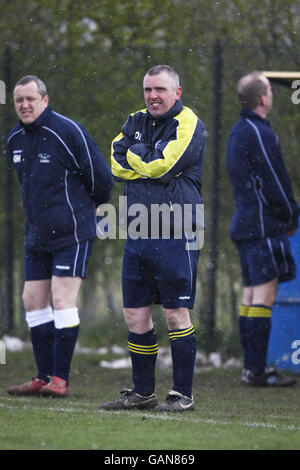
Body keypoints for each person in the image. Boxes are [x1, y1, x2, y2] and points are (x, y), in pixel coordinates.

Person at [98, 65, 206, 412]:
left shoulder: (189, 123)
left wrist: (140, 156)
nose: (153, 96)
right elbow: (115, 163)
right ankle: (142, 393)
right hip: (138, 229)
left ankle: (182, 395)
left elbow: (163, 164)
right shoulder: (134, 120)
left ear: (177, 92)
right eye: (147, 89)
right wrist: (144, 157)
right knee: (134, 314)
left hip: (176, 230)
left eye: (160, 89)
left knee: (176, 314)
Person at [7, 75, 113, 397]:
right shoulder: (14, 139)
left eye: (30, 99)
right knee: (32, 300)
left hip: (73, 232)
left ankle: (60, 380)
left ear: (45, 100)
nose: (25, 105)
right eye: (19, 101)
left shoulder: (67, 132)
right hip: (37, 235)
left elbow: (102, 179)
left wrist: (87, 211)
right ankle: (42, 376)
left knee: (62, 299)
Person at [226, 71, 299, 387]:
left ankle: (250, 368)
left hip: (245, 223)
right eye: (270, 90)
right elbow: (275, 179)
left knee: (251, 294)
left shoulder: (238, 130)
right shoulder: (258, 132)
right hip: (262, 225)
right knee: (264, 295)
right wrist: (291, 214)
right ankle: (256, 371)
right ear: (263, 98)